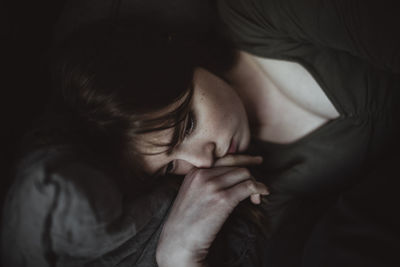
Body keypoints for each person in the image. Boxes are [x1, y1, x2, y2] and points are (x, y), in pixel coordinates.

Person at [2, 0, 400, 266]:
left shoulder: (259, 13)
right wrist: (180, 256)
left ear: (182, 59)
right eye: (169, 167)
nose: (203, 161)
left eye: (187, 124)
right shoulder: (257, 190)